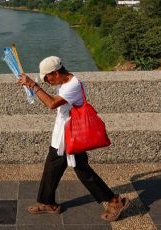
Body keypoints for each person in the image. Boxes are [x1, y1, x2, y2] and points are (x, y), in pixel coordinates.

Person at [17, 56, 130, 222]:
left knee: (83, 171)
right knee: (51, 169)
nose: (46, 81)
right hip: (61, 135)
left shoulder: (73, 84)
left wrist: (34, 85)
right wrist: (32, 86)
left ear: (55, 73)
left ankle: (114, 201)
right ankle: (48, 203)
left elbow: (52, 103)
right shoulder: (62, 81)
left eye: (47, 78)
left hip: (73, 136)